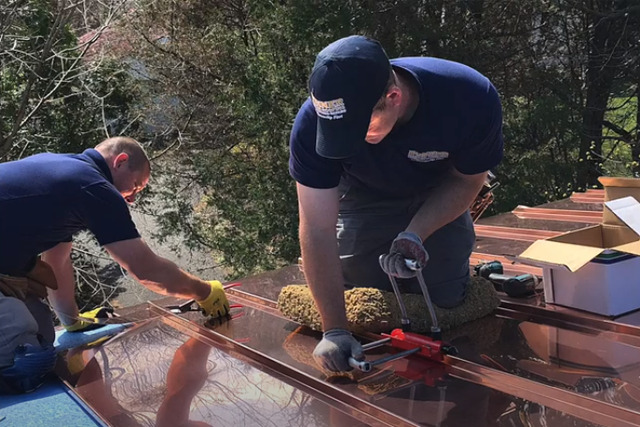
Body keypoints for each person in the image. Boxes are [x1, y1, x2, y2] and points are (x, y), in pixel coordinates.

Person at [288, 35, 504, 372]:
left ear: (393, 97)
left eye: (359, 129)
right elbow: (316, 228)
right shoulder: (310, 123)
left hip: (439, 189)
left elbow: (466, 181)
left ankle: (456, 270)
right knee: (362, 289)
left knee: (444, 297)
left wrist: (415, 234)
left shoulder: (469, 97)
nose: (352, 141)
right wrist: (333, 329)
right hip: (361, 196)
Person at [0, 136, 229, 393]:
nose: (131, 199)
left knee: (41, 330)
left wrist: (72, 321)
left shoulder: (65, 176)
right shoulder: (92, 186)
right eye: (135, 186)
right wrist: (203, 292)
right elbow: (145, 269)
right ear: (120, 161)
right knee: (26, 362)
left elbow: (57, 260)